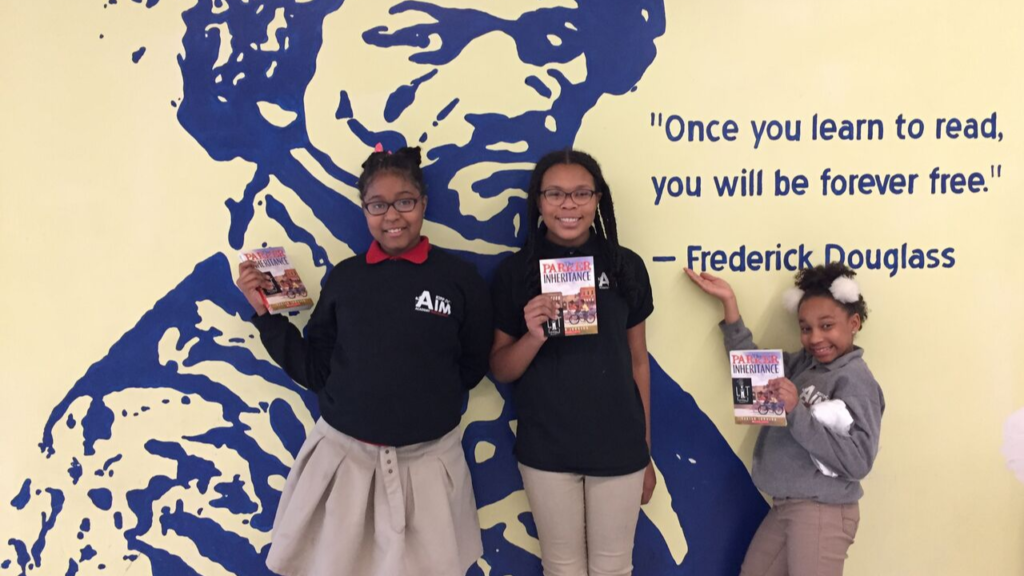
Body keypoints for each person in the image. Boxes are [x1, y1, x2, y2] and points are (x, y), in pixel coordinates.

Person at [236, 146, 493, 576]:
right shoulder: (346, 278)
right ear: (364, 209)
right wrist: (266, 316)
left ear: (423, 204)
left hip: (428, 466)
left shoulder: (459, 280)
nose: (392, 216)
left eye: (405, 202)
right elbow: (315, 369)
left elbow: (471, 366)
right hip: (345, 464)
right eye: (378, 205)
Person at [489, 149, 656, 576]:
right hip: (547, 447)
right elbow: (502, 369)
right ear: (538, 202)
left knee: (613, 568)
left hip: (619, 446)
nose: (569, 205)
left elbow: (639, 363)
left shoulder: (625, 267)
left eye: (581, 193)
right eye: (556, 194)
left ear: (598, 199)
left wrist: (645, 451)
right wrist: (533, 335)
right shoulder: (515, 273)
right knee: (561, 568)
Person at [685, 263, 885, 576]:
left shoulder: (855, 381)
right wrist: (730, 306)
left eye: (827, 325)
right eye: (806, 328)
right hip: (787, 504)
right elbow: (752, 373)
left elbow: (859, 461)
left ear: (854, 323)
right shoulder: (803, 365)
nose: (815, 337)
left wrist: (796, 412)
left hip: (824, 509)